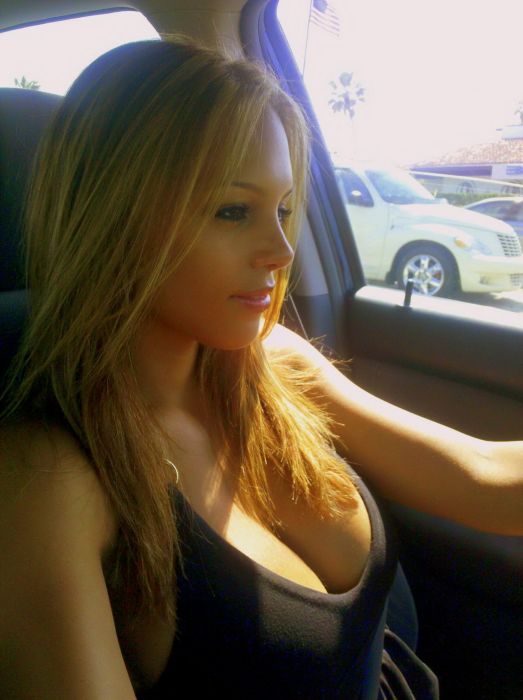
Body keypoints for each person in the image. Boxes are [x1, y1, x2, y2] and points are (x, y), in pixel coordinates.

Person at [0, 37, 521, 699]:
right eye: (232, 211)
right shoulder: (45, 483)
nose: (280, 251)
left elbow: (483, 478)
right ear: (112, 218)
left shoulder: (275, 366)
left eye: (282, 209)